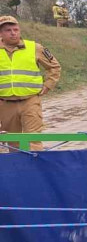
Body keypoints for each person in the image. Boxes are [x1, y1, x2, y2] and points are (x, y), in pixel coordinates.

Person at [0, 15, 61, 151]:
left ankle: (35, 169)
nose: (13, 33)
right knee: (13, 142)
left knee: (33, 140)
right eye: (8, 30)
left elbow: (54, 67)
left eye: (15, 29)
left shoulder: (35, 48)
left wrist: (48, 85)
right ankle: (18, 169)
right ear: (1, 33)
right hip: (5, 104)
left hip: (30, 101)